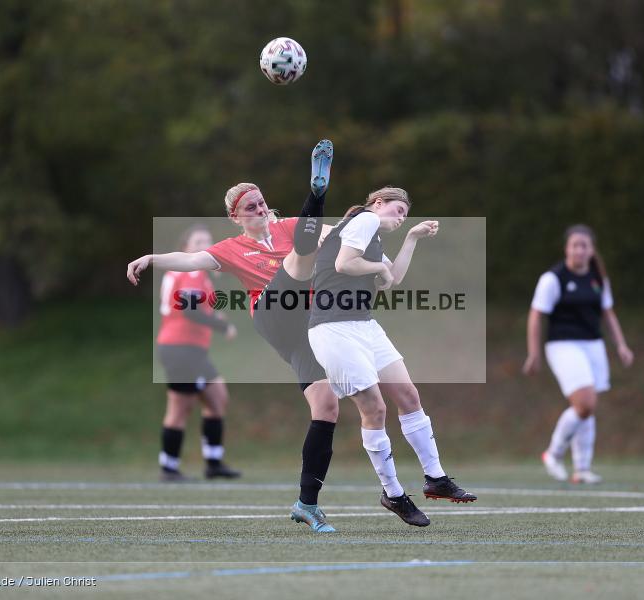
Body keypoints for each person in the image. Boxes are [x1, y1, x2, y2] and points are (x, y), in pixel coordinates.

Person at [128, 140, 339, 532]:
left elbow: (338, 234)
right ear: (235, 217)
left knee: (326, 406)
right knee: (297, 261)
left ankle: (307, 504)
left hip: (304, 329)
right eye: (250, 207)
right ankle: (317, 193)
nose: (259, 210)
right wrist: (152, 258)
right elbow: (190, 260)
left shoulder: (288, 227)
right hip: (272, 314)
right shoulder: (232, 248)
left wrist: (375, 226)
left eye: (261, 203)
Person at [307, 186, 477, 528]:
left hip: (364, 326)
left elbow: (393, 277)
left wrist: (412, 238)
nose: (401, 218)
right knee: (375, 409)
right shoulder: (365, 220)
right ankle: (394, 494)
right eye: (398, 210)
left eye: (405, 215)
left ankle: (436, 478)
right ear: (378, 203)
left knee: (408, 396)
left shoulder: (371, 234)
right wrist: (379, 270)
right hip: (333, 329)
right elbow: (344, 263)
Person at [522, 224, 634, 484]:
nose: (579, 250)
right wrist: (533, 353)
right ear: (567, 249)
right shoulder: (553, 278)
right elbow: (536, 315)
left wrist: (621, 345)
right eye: (575, 245)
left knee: (587, 409)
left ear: (591, 250)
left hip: (593, 345)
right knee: (585, 404)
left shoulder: (598, 278)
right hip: (563, 345)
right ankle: (553, 453)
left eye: (584, 246)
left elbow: (608, 313)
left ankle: (582, 468)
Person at [157, 224, 241, 481]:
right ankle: (169, 468)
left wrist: (213, 314)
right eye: (198, 242)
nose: (204, 246)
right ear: (185, 249)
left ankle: (213, 463)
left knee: (217, 398)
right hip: (181, 349)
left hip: (191, 350)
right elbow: (189, 310)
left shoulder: (194, 274)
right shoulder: (191, 271)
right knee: (179, 408)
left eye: (208, 241)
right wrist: (222, 325)